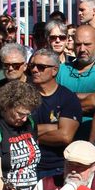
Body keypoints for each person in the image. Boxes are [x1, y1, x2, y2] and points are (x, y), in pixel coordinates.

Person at [30, 49, 82, 179]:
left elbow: (65, 136)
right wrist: (52, 128)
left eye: (41, 67)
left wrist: (30, 135)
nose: (35, 70)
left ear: (54, 70)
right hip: (27, 167)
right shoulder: (23, 96)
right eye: (32, 66)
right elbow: (12, 130)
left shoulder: (67, 98)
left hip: (55, 169)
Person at [57, 24, 95, 139]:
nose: (82, 49)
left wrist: (65, 103)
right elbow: (51, 102)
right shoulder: (61, 69)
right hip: (62, 141)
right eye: (78, 44)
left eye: (87, 44)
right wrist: (88, 99)